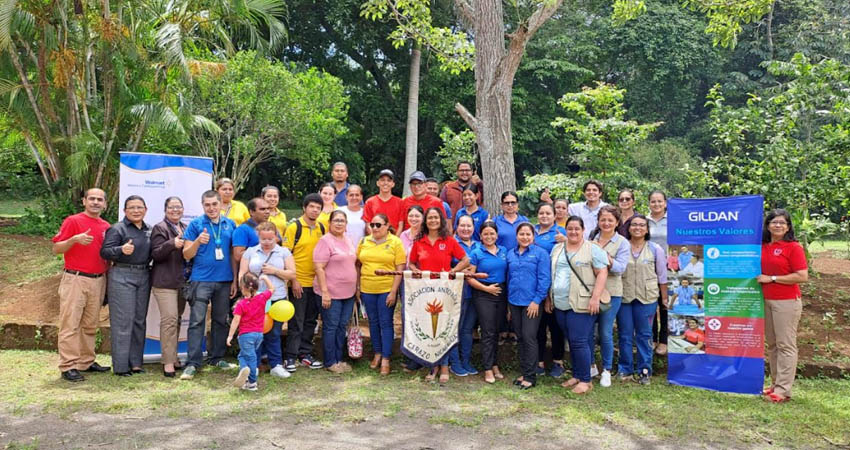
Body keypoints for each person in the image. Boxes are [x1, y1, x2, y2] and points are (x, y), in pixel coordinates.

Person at [52, 188, 111, 382]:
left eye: (99, 199)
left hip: (98, 279)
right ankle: (68, 365)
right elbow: (56, 248)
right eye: (92, 198)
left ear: (105, 204)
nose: (95, 202)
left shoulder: (106, 226)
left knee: (90, 324)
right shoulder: (73, 221)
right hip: (75, 279)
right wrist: (74, 239)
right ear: (84, 201)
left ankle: (86, 361)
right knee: (70, 323)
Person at [180, 190, 239, 380]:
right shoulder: (196, 224)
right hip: (201, 280)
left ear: (221, 204)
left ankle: (217, 357)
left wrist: (235, 279)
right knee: (197, 322)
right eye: (207, 205)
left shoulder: (230, 224)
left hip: (224, 281)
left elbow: (232, 255)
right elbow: (186, 254)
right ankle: (193, 362)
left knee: (221, 320)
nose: (211, 208)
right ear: (202, 205)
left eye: (215, 204)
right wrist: (198, 241)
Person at [408, 207, 471, 383]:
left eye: (436, 217)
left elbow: (466, 260)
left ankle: (444, 366)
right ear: (425, 221)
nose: (433, 221)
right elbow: (411, 263)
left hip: (445, 291)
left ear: (441, 220)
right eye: (430, 218)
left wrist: (452, 271)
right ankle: (432, 365)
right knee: (428, 328)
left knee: (444, 328)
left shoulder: (449, 241)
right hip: (425, 291)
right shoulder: (419, 242)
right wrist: (417, 271)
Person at [548, 216, 609, 394]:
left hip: (583, 302)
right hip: (560, 302)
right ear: (565, 230)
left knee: (579, 341)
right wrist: (549, 298)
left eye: (577, 228)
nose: (573, 232)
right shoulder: (558, 248)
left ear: (583, 230)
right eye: (570, 228)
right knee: (571, 340)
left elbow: (602, 273)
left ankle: (585, 380)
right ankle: (576, 374)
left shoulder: (592, 249)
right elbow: (554, 274)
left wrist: (595, 297)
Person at [757, 209, 808, 403]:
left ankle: (783, 390)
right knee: (773, 345)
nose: (778, 225)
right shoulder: (763, 246)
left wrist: (772, 278)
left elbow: (802, 276)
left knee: (786, 345)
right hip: (766, 301)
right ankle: (775, 384)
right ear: (768, 225)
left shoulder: (793, 247)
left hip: (786, 302)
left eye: (782, 223)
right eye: (774, 222)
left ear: (788, 227)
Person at [101, 195, 152, 376]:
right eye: (132, 207)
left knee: (139, 320)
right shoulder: (117, 229)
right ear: (124, 211)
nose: (136, 211)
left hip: (144, 275)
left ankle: (136, 363)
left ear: (145, 210)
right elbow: (105, 251)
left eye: (139, 207)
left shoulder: (149, 230)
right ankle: (121, 367)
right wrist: (120, 250)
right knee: (123, 322)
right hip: (122, 275)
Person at [238, 222, 296, 379]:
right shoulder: (250, 252)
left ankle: (276, 364)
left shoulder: (283, 252)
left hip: (277, 299)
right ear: (258, 237)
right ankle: (253, 365)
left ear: (276, 236)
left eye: (271, 238)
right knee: (254, 334)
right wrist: (245, 291)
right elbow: (242, 273)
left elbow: (291, 274)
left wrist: (274, 271)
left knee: (274, 333)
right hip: (255, 300)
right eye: (264, 239)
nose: (267, 242)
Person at [618, 214, 668, 385]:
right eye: (634, 225)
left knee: (645, 335)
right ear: (629, 228)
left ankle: (644, 370)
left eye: (641, 225)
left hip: (647, 298)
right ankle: (625, 369)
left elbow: (662, 276)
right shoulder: (622, 247)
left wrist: (664, 298)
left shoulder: (655, 249)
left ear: (647, 229)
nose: (637, 228)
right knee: (625, 335)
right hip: (625, 296)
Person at [281, 193, 326, 372]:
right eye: (312, 207)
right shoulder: (294, 227)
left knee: (310, 321)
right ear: (304, 208)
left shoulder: (322, 228)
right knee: (296, 321)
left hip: (315, 283)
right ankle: (290, 356)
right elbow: (286, 255)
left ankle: (305, 353)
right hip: (298, 282)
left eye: (318, 208)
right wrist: (294, 280)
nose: (315, 210)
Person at [357, 213, 406, 375]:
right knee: (373, 322)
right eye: (372, 225)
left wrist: (393, 292)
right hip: (367, 288)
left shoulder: (395, 242)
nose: (375, 228)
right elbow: (357, 264)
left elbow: (400, 269)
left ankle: (386, 357)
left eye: (379, 225)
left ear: (387, 226)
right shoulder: (364, 241)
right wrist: (357, 286)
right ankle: (377, 353)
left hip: (386, 289)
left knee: (386, 323)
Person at [506, 222, 551, 390]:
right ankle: (525, 371)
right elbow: (509, 278)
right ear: (516, 236)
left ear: (533, 236)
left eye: (528, 234)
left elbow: (545, 279)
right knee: (521, 337)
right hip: (514, 302)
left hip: (532, 303)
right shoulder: (511, 254)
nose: (525, 237)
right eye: (521, 234)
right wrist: (508, 306)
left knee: (529, 336)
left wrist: (536, 301)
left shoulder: (541, 254)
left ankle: (531, 377)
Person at [313, 210, 358, 374]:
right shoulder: (325, 241)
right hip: (330, 292)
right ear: (329, 223)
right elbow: (319, 267)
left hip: (348, 293)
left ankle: (339, 358)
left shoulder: (348, 239)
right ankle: (330, 361)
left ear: (346, 224)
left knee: (341, 326)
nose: (339, 223)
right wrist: (325, 292)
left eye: (342, 221)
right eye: (336, 220)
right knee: (331, 327)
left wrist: (357, 288)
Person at [589, 206, 629, 387]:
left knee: (605, 332)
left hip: (611, 293)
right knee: (587, 331)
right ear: (598, 221)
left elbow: (620, 268)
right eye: (603, 220)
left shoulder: (622, 242)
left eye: (610, 220)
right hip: (589, 291)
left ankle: (606, 369)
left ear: (617, 222)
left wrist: (603, 254)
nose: (606, 223)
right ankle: (590, 365)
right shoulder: (591, 238)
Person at [150, 196, 188, 377]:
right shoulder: (160, 228)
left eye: (178, 207)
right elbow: (155, 254)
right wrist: (171, 244)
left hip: (181, 282)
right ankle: (167, 362)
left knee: (177, 320)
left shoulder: (186, 228)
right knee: (169, 320)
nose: (175, 210)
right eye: (172, 207)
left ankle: (173, 357)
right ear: (165, 210)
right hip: (164, 283)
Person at [467, 221, 508, 383]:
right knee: (488, 331)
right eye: (485, 234)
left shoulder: (504, 251)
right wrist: (486, 289)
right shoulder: (477, 253)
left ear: (497, 235)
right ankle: (488, 368)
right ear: (481, 236)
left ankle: (495, 363)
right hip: (483, 293)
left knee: (497, 330)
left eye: (492, 233)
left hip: (501, 292)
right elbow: (469, 277)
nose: (489, 237)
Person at [533, 203, 567, 378]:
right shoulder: (531, 231)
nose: (544, 216)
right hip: (534, 286)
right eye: (541, 213)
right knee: (538, 326)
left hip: (555, 286)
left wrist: (566, 240)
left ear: (555, 216)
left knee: (556, 326)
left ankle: (558, 362)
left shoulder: (561, 233)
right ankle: (538, 362)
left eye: (548, 213)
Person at [227, 272, 275, 391]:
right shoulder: (262, 298)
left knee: (249, 358)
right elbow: (272, 289)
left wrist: (230, 335)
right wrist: (265, 278)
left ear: (243, 288)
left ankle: (252, 382)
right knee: (245, 355)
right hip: (259, 335)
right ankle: (247, 377)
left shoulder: (241, 304)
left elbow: (235, 321)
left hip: (245, 335)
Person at [447, 215, 480, 377]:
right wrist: (460, 270)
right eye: (462, 226)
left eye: (469, 226)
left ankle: (466, 360)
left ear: (473, 228)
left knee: (467, 329)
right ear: (456, 227)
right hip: (455, 293)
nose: (466, 229)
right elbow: (446, 266)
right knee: (455, 329)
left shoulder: (479, 245)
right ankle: (455, 362)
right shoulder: (451, 243)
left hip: (475, 293)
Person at [647, 190, 670, 356]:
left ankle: (664, 340)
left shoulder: (672, 221)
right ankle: (652, 338)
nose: (656, 204)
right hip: (648, 268)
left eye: (659, 201)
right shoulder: (644, 221)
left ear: (665, 203)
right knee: (650, 304)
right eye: (653, 201)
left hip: (669, 268)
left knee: (665, 304)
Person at [231, 197, 272, 267]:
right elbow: (238, 256)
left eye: (268, 209)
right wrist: (263, 251)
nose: (267, 212)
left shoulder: (271, 227)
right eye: (262, 209)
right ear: (252, 212)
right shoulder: (242, 230)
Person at [363, 169, 405, 236]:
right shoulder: (370, 202)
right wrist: (376, 239)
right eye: (382, 180)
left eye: (389, 180)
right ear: (378, 183)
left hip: (394, 242)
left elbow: (401, 225)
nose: (385, 183)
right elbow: (368, 224)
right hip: (375, 241)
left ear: (393, 184)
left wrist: (394, 241)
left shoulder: (400, 202)